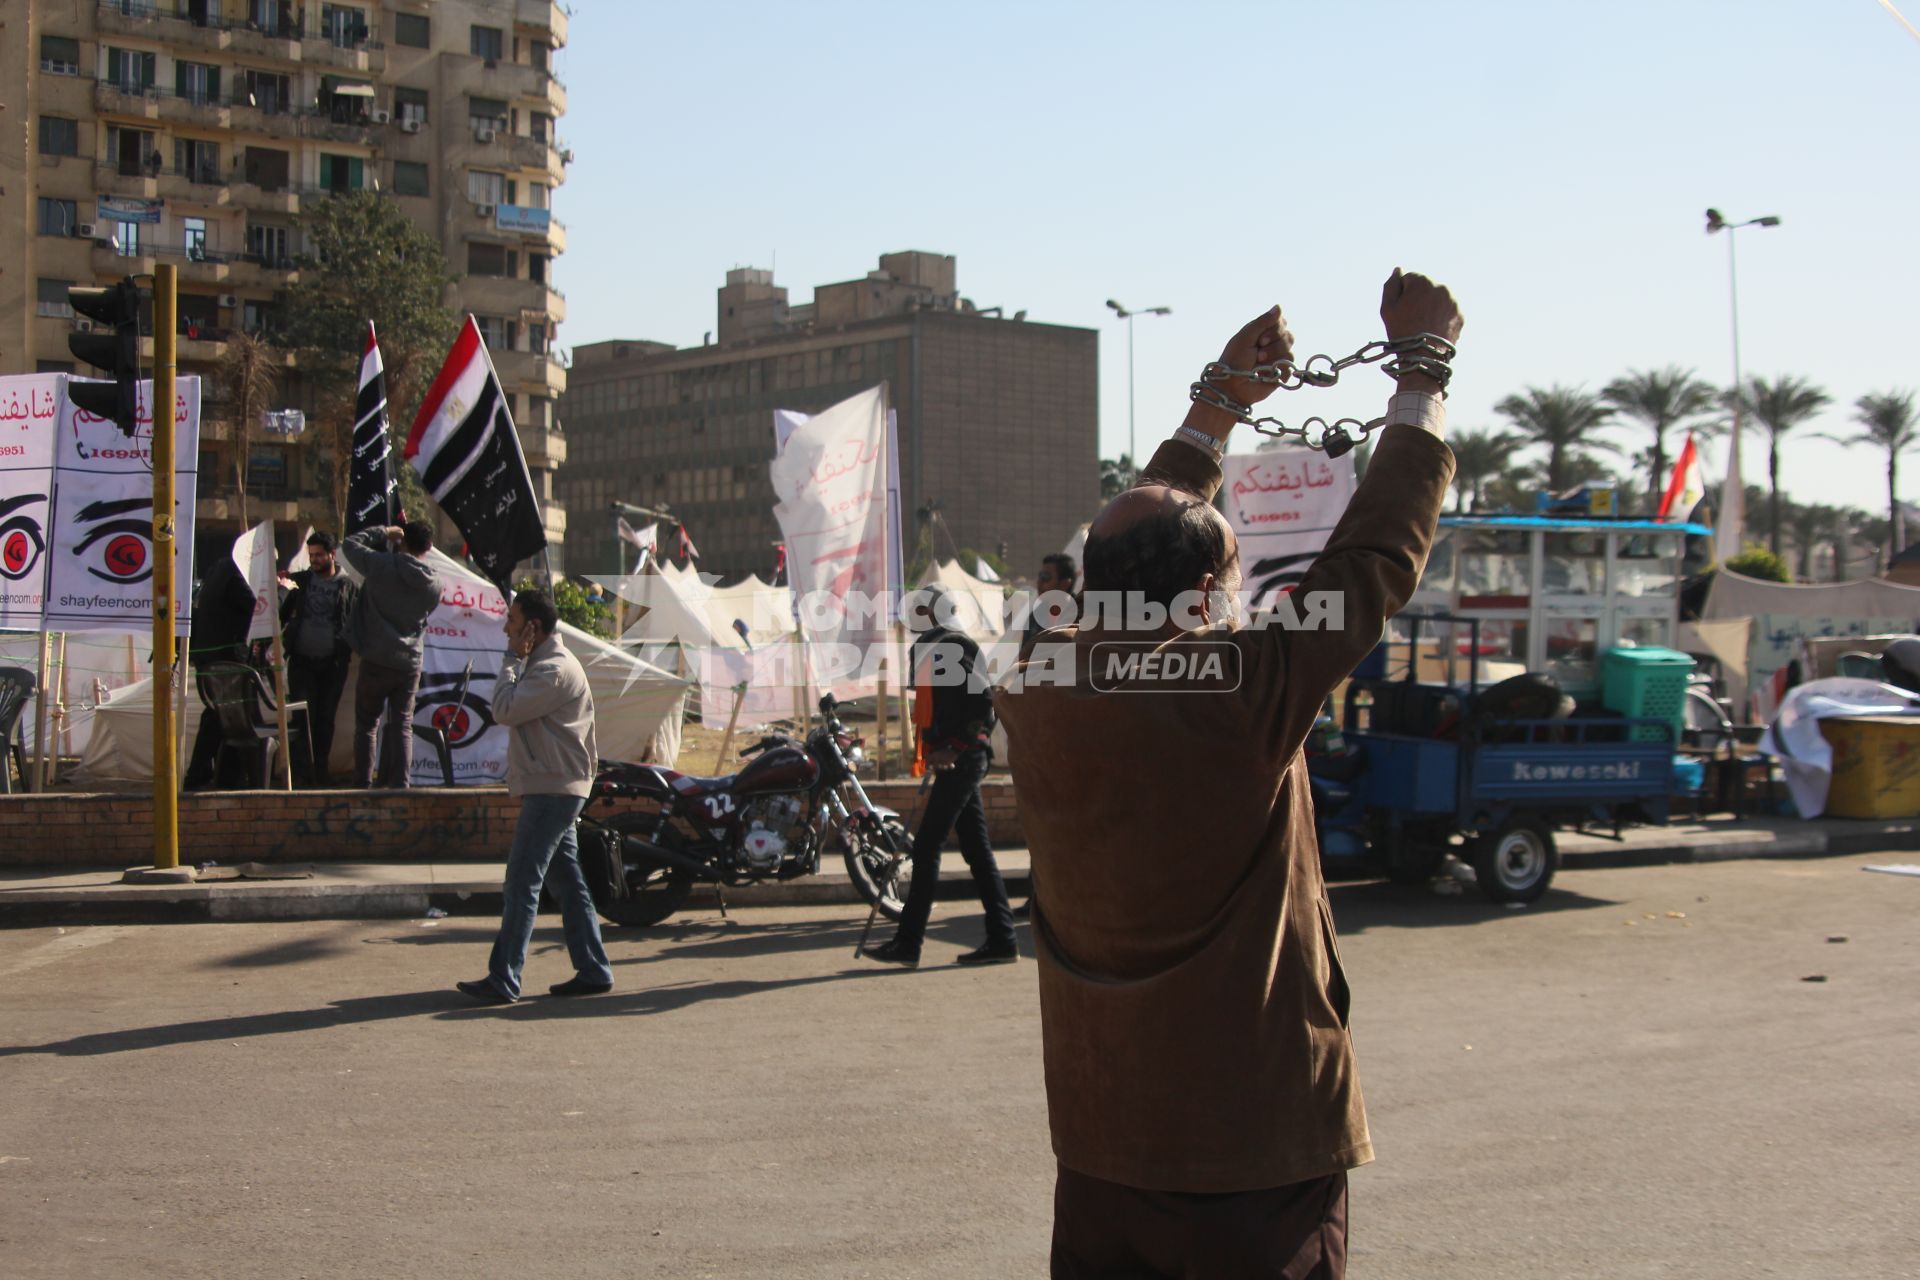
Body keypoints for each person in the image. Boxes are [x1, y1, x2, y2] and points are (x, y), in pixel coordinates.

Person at [996, 269, 1462, 1278]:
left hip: (1102, 1133)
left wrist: (1214, 411)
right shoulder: (1244, 687)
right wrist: (1423, 370)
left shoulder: (1032, 678)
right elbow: (1376, 555)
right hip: (1251, 1136)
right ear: (1214, 592)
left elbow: (1125, 561)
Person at [457, 588, 613, 1003]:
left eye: (512, 620)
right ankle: (594, 969)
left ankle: (504, 978)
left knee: (522, 882)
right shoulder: (544, 663)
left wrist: (511, 658)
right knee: (567, 881)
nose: (506, 627)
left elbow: (504, 710)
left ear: (533, 628)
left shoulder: (553, 670)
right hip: (555, 784)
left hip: (553, 789)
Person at [865, 585, 1017, 968]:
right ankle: (1003, 938)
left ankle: (909, 942)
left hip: (962, 761)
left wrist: (957, 746)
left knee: (928, 846)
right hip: (956, 759)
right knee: (977, 851)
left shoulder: (951, 645)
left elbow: (984, 699)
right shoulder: (935, 644)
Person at [341, 520, 440, 789]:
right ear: (429, 547)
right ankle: (401, 786)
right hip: (408, 663)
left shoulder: (381, 565)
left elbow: (349, 545)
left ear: (402, 541)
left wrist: (383, 531)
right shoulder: (434, 583)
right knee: (402, 725)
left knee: (367, 725)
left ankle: (362, 783)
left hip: (375, 657)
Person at [1014, 551, 1079, 918]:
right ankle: (1040, 893)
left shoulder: (1080, 619)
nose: (1040, 582)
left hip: (1069, 733)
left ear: (1066, 584)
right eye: (1039, 576)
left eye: (1047, 576)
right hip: (1041, 731)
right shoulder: (1036, 618)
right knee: (1041, 820)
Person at [278, 531, 358, 786]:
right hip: (301, 662)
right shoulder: (300, 582)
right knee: (303, 719)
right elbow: (280, 612)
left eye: (319, 555)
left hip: (332, 665)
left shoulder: (348, 586)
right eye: (311, 555)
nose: (314, 560)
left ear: (332, 555)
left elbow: (356, 621)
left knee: (325, 720)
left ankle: (321, 773)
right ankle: (303, 774)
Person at [183, 538, 260, 791]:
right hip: (225, 660)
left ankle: (209, 774)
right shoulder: (235, 575)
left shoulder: (219, 569)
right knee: (228, 717)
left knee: (218, 716)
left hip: (209, 657)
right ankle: (216, 776)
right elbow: (256, 608)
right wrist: (281, 591)